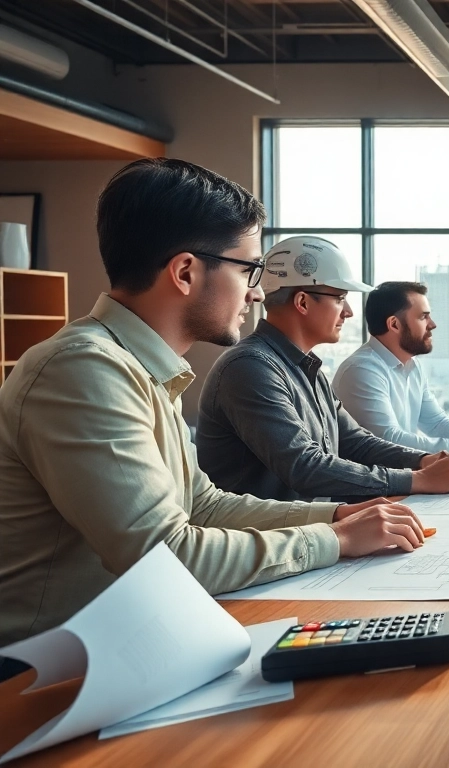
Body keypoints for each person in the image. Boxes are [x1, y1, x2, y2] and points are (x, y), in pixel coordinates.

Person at [0, 159, 426, 664]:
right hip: (48, 675)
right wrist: (332, 539)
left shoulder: (144, 367)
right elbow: (166, 555)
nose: (256, 291)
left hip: (130, 642)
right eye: (249, 269)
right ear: (185, 272)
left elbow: (204, 507)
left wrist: (337, 514)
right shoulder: (84, 371)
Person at [196, 236, 449, 503]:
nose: (349, 312)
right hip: (270, 539)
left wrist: (423, 460)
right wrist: (416, 479)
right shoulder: (251, 368)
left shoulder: (305, 367)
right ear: (302, 302)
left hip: (309, 524)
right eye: (340, 298)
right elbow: (305, 467)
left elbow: (354, 441)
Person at [332, 281, 449, 458]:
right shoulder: (361, 370)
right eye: (423, 317)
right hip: (377, 483)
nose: (432, 324)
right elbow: (387, 440)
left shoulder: (412, 364)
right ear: (394, 324)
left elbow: (435, 422)